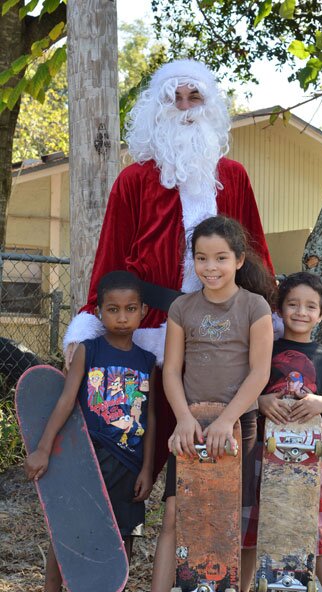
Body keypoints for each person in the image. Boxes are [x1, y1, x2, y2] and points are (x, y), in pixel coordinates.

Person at [62, 58, 278, 479]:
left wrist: (271, 314)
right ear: (156, 109)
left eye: (193, 96)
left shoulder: (233, 177)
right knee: (124, 449)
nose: (184, 106)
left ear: (209, 105)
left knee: (209, 468)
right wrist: (88, 322)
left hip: (221, 336)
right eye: (173, 98)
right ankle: (116, 533)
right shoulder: (134, 180)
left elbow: (254, 251)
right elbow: (110, 257)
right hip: (144, 333)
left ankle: (198, 536)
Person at [150, 215, 275, 592]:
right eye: (201, 259)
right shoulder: (182, 308)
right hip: (190, 424)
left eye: (220, 258)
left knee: (226, 516)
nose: (210, 267)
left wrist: (227, 420)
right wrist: (185, 418)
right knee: (174, 514)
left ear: (238, 260)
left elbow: (260, 372)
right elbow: (171, 370)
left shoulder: (254, 307)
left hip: (239, 423)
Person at [25, 271, 156, 592]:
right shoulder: (89, 350)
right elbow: (66, 401)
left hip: (128, 463)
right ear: (99, 312)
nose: (122, 317)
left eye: (130, 309)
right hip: (88, 458)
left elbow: (151, 418)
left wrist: (148, 469)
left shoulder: (147, 361)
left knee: (122, 536)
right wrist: (43, 448)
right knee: (67, 528)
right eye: (113, 309)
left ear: (142, 311)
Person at [241, 272, 322, 592]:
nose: (301, 312)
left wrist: (321, 403)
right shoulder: (265, 350)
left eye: (310, 306)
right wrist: (260, 401)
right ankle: (244, 591)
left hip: (308, 458)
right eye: (293, 304)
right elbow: (246, 392)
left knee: (314, 521)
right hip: (263, 452)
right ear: (279, 309)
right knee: (256, 520)